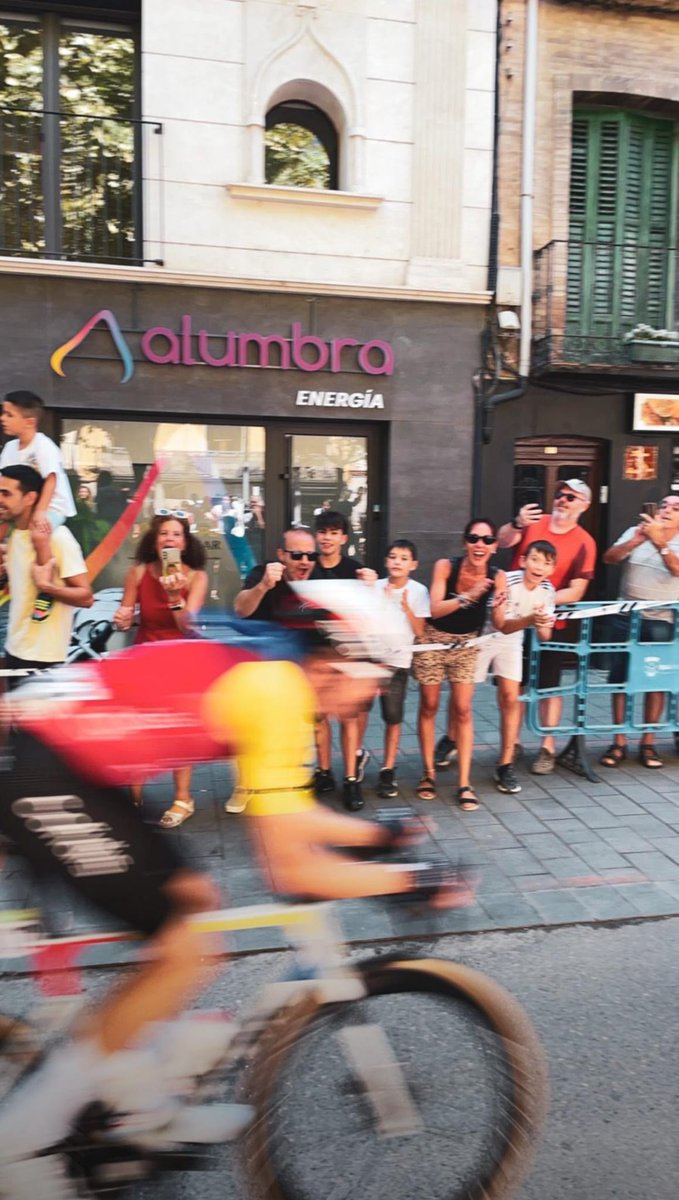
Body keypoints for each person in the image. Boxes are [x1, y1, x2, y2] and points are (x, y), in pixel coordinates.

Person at [0, 630, 469, 1197]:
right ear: (339, 663)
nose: (374, 693)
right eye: (376, 678)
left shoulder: (278, 682)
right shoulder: (277, 693)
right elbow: (291, 868)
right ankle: (23, 1141)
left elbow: (293, 815)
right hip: (47, 773)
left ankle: (134, 1095)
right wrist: (415, 879)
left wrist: (381, 836)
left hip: (70, 763)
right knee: (187, 951)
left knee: (195, 900)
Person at [114, 512, 209, 828]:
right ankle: (133, 799)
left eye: (177, 534)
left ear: (185, 542)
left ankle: (183, 798)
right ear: (154, 541)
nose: (170, 539)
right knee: (137, 731)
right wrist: (123, 616)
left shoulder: (196, 577)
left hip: (180, 660)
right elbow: (127, 609)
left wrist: (173, 597)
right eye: (164, 533)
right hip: (143, 657)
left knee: (178, 731)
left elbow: (188, 627)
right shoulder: (139, 572)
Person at [497, 479, 597, 774]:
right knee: (514, 685)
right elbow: (502, 542)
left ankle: (547, 748)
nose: (563, 499)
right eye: (561, 494)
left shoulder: (585, 542)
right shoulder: (533, 523)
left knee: (549, 687)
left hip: (555, 620)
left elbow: (577, 590)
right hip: (515, 618)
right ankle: (512, 743)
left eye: (571, 496)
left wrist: (543, 602)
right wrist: (516, 523)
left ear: (584, 505)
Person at [412, 518, 506, 811]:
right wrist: (470, 595)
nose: (480, 545)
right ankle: (428, 773)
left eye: (487, 540)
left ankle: (464, 783)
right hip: (433, 638)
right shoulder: (446, 566)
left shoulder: (498, 576)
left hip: (467, 643)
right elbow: (434, 610)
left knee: (463, 709)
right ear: (465, 542)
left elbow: (501, 623)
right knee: (429, 704)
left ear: (494, 546)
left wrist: (527, 617)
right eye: (474, 538)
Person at [599, 495, 679, 769]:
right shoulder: (635, 532)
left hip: (661, 621)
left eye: (675, 508)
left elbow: (677, 569)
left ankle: (648, 742)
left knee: (654, 683)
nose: (667, 510)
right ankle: (618, 741)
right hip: (626, 616)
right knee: (619, 678)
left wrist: (659, 542)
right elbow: (608, 558)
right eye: (664, 505)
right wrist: (636, 540)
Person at [0, 465, 92, 683]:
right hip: (15, 649)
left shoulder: (58, 537)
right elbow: (22, 591)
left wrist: (48, 587)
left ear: (30, 498)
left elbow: (86, 597)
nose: (0, 499)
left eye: (6, 494)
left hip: (44, 660)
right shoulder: (16, 537)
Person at [477, 541, 557, 793]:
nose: (539, 567)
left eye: (546, 563)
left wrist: (543, 622)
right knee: (462, 698)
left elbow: (545, 635)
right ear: (523, 561)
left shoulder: (547, 590)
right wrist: (532, 619)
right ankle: (451, 740)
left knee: (511, 699)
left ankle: (505, 764)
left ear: (552, 569)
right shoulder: (507, 581)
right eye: (534, 559)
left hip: (512, 641)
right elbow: (501, 624)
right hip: (482, 636)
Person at [311, 509, 378, 810]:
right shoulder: (306, 567)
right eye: (323, 532)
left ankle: (352, 780)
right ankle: (324, 772)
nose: (327, 537)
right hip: (314, 654)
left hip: (350, 652)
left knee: (348, 717)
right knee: (316, 717)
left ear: (343, 538)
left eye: (333, 532)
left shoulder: (356, 571)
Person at [0, 390, 76, 621]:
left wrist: (41, 511)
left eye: (9, 414)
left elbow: (51, 479)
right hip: (24, 508)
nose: (3, 418)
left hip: (52, 506)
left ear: (29, 421)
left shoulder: (43, 446)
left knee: (39, 535)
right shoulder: (10, 449)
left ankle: (46, 586)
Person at [370, 539, 430, 798]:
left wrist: (406, 609)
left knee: (392, 717)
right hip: (371, 659)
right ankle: (356, 759)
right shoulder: (374, 587)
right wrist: (381, 604)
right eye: (393, 557)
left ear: (413, 565)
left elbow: (420, 632)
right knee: (357, 714)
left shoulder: (419, 591)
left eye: (404, 558)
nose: (397, 562)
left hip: (398, 662)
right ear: (386, 561)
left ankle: (388, 768)